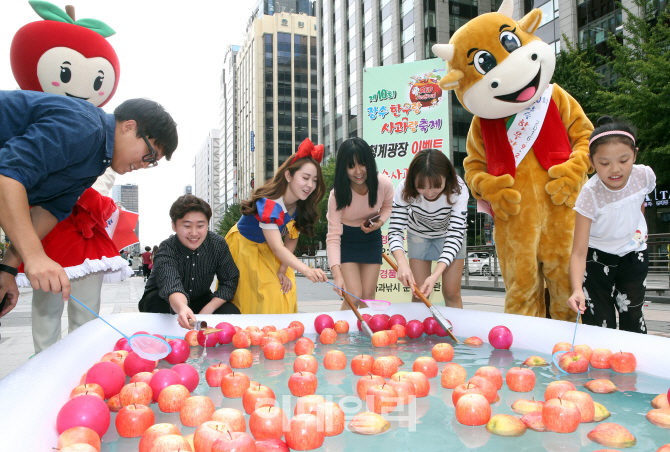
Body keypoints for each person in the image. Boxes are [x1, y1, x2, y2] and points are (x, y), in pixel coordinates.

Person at [0, 90, 178, 317]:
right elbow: (8, 176)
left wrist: (8, 267)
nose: (145, 165)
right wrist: (34, 256)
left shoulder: (96, 162)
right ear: (129, 127)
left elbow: (50, 210)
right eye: (149, 155)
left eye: (152, 163)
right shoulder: (85, 128)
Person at [567, 116, 656, 333]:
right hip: (597, 257)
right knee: (600, 319)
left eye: (623, 160)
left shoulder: (644, 175)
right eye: (604, 163)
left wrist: (638, 234)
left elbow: (639, 205)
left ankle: (634, 360)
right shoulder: (590, 194)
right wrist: (577, 289)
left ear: (635, 154)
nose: (615, 169)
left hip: (633, 253)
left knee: (633, 312)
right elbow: (578, 252)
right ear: (592, 161)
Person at [225, 138, 328, 314]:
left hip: (269, 249)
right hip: (244, 248)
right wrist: (307, 270)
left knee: (286, 287)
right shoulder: (270, 204)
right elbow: (278, 247)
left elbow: (291, 238)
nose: (310, 185)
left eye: (315, 180)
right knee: (266, 293)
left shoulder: (298, 205)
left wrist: (282, 269)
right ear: (288, 175)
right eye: (305, 178)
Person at [139, 195, 240, 328]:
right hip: (164, 299)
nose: (194, 233)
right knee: (162, 314)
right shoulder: (167, 248)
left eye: (200, 226)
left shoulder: (217, 244)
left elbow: (229, 280)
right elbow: (171, 285)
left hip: (200, 298)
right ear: (174, 226)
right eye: (187, 226)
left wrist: (208, 310)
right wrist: (181, 307)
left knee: (231, 312)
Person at [388, 149, 468, 308]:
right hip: (418, 235)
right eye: (422, 187)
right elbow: (395, 230)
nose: (430, 193)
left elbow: (455, 235)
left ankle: (457, 331)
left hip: (449, 236)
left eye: (437, 186)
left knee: (452, 293)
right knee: (419, 295)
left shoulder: (458, 189)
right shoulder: (404, 188)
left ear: (447, 176)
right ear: (413, 180)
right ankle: (418, 333)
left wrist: (435, 276)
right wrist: (401, 262)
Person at [326, 137, 394, 310]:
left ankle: (365, 335)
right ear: (344, 168)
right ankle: (342, 334)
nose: (358, 171)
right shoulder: (337, 195)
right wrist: (336, 274)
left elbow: (387, 207)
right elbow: (333, 236)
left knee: (368, 296)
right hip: (347, 240)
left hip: (371, 238)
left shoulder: (383, 183)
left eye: (362, 164)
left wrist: (379, 223)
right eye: (351, 166)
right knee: (354, 294)